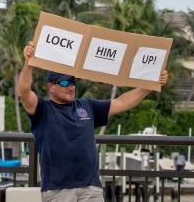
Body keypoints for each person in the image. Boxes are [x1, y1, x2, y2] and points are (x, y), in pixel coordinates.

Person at [17, 40, 168, 202]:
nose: (71, 86)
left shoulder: (87, 105)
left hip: (91, 188)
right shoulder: (42, 110)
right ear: (51, 86)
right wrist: (28, 63)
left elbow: (123, 102)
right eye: (64, 82)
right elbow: (24, 92)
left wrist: (151, 85)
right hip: (58, 190)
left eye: (73, 81)